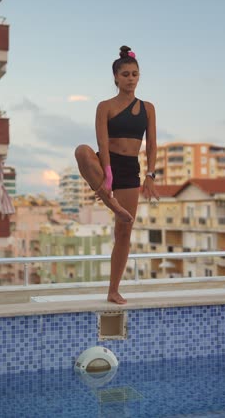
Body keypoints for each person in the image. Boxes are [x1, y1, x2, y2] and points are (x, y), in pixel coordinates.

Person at [75, 45, 158, 304]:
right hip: (106, 163)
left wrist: (150, 176)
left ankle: (113, 290)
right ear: (115, 78)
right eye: (125, 74)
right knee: (81, 151)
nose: (130, 79)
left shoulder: (148, 108)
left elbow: (152, 145)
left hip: (131, 169)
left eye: (134, 74)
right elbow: (102, 143)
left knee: (123, 233)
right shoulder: (105, 106)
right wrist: (107, 177)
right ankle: (109, 201)